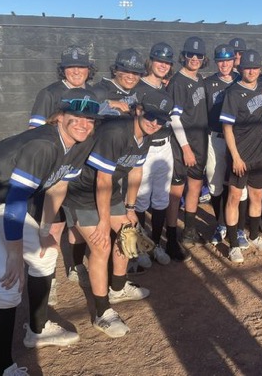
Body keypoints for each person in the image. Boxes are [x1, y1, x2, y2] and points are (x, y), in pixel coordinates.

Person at [0, 88, 100, 376]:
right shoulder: (43, 144)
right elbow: (19, 200)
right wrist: (14, 253)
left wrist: (45, 229)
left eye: (90, 119)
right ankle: (3, 368)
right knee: (5, 286)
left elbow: (58, 185)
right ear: (60, 117)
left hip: (0, 204)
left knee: (45, 256)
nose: (84, 123)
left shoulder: (81, 142)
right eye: (76, 117)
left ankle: (38, 328)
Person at [62, 92, 172, 338]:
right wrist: (102, 222)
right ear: (139, 109)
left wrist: (131, 208)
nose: (155, 123)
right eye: (151, 116)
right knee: (100, 247)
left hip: (108, 194)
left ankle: (118, 288)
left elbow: (135, 170)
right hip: (81, 194)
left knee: (128, 234)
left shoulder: (145, 136)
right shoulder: (116, 133)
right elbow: (102, 179)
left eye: (161, 120)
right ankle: (102, 313)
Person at [27, 45, 96, 300]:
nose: (76, 71)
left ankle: (76, 266)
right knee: (52, 228)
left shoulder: (92, 93)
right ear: (63, 69)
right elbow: (34, 131)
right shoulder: (49, 93)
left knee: (77, 226)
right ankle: (49, 278)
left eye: (81, 66)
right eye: (71, 66)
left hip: (82, 169)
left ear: (89, 69)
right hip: (56, 170)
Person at [220, 49, 262, 263]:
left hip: (259, 155)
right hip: (239, 156)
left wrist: (259, 137)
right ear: (240, 69)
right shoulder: (233, 93)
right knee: (234, 197)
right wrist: (235, 156)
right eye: (247, 68)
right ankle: (234, 244)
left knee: (257, 196)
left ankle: (254, 236)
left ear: (259, 70)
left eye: (254, 68)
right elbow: (227, 128)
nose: (251, 71)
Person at [165, 37, 209, 261]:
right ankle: (171, 239)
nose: (194, 59)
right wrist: (186, 148)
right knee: (176, 193)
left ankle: (189, 230)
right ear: (183, 56)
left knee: (195, 187)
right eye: (190, 55)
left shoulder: (199, 78)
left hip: (200, 141)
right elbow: (174, 117)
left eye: (198, 55)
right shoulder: (177, 82)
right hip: (183, 145)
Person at [131, 42, 175, 267]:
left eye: (167, 62)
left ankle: (156, 244)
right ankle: (140, 247)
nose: (163, 65)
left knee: (160, 200)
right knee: (140, 200)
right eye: (160, 61)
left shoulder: (165, 89)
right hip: (144, 148)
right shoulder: (138, 87)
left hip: (165, 147)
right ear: (151, 61)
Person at [204, 43, 241, 244]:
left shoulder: (242, 79)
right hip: (216, 137)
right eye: (221, 60)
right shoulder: (208, 83)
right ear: (216, 62)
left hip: (239, 138)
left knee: (237, 185)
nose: (225, 64)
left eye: (228, 60)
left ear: (234, 60)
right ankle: (220, 223)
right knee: (214, 182)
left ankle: (239, 227)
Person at [92, 48, 146, 116]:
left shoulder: (140, 93)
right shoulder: (100, 91)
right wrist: (107, 104)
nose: (130, 76)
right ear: (115, 71)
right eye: (126, 71)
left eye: (136, 73)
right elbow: (83, 114)